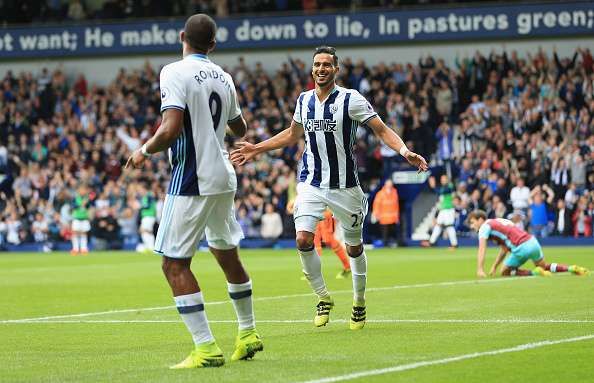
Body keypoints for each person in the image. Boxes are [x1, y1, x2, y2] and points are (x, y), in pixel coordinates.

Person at [230, 45, 428, 330]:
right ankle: (323, 297)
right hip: (311, 181)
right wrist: (256, 149)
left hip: (346, 186)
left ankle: (359, 301)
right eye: (317, 65)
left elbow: (381, 129)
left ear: (336, 69)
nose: (321, 69)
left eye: (326, 65)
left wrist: (405, 151)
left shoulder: (351, 99)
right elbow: (292, 134)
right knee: (302, 240)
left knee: (354, 247)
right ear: (312, 69)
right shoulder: (303, 100)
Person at [126, 14, 262, 369]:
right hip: (223, 176)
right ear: (213, 45)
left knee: (173, 263)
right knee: (227, 255)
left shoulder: (173, 71)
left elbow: (170, 128)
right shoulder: (224, 76)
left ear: (182, 36)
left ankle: (205, 347)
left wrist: (143, 151)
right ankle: (247, 333)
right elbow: (239, 127)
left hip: (192, 177)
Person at [467, 210, 588, 278]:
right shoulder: (500, 221)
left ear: (480, 220)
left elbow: (482, 249)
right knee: (544, 266)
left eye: (473, 223)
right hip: (533, 242)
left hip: (521, 247)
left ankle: (533, 273)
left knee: (505, 272)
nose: (472, 226)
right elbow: (504, 249)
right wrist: (494, 266)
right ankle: (571, 268)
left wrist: (480, 269)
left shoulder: (484, 227)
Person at [422, 175, 458, 249]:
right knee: (438, 225)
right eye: (442, 179)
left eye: (444, 179)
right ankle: (432, 242)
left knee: (449, 226)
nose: (442, 180)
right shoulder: (443, 187)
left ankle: (454, 244)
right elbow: (440, 192)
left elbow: (442, 191)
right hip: (443, 210)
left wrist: (433, 186)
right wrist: (433, 187)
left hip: (449, 209)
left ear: (447, 179)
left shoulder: (450, 186)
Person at [314, 209, 351, 279]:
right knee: (316, 238)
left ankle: (347, 266)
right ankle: (313, 271)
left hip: (327, 211)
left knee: (328, 239)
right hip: (318, 211)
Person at [371, 179, 400, 247]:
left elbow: (396, 205)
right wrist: (376, 214)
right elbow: (376, 205)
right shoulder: (380, 193)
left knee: (392, 233)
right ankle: (385, 244)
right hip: (383, 217)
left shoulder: (394, 192)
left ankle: (391, 243)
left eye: (390, 184)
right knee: (385, 233)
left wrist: (397, 217)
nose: (389, 186)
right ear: (385, 185)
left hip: (392, 218)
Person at [70, 185, 91, 256]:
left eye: (84, 190)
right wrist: (80, 204)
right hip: (77, 218)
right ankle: (75, 249)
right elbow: (73, 206)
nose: (83, 191)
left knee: (83, 233)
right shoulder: (75, 198)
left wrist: (86, 204)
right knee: (75, 233)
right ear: (78, 191)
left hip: (84, 218)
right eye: (81, 190)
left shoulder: (87, 199)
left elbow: (88, 207)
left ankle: (83, 249)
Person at [138, 185, 157, 252]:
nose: (139, 192)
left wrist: (140, 206)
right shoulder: (147, 196)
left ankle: (150, 247)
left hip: (148, 216)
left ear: (144, 189)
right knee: (148, 232)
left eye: (140, 190)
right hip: (148, 217)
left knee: (143, 231)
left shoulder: (149, 196)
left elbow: (147, 205)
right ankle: (150, 246)